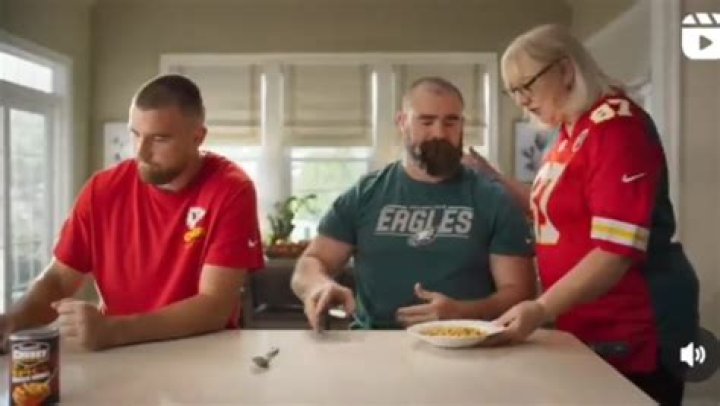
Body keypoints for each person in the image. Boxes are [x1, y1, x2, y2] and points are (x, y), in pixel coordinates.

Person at [484, 24, 698, 405]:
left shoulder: (616, 128)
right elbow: (562, 213)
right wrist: (494, 180)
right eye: (512, 91)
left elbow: (615, 251)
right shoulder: (569, 129)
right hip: (586, 321)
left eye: (527, 85)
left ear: (566, 70)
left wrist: (541, 308)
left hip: (633, 324)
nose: (522, 101)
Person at [0, 74, 264, 350]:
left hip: (202, 351)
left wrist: (113, 330)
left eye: (159, 139)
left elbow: (215, 305)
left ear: (197, 137)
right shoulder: (102, 190)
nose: (142, 152)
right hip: (120, 352)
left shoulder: (231, 189)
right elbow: (58, 279)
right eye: (135, 134)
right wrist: (15, 320)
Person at [291, 77, 536, 331]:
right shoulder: (365, 194)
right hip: (374, 342)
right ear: (402, 122)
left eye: (450, 122)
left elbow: (520, 292)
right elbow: (312, 262)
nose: (439, 133)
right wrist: (318, 286)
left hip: (465, 343)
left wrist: (462, 312)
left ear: (462, 125)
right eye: (426, 121)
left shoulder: (493, 199)